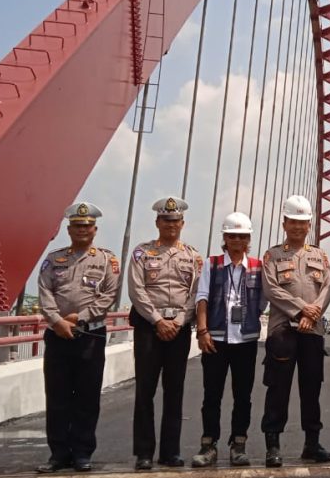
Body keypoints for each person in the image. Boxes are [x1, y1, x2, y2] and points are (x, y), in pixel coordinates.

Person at [36, 203, 121, 473]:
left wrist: (80, 316)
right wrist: (58, 321)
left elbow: (110, 295)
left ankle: (83, 452)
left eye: (87, 226)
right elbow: (45, 292)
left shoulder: (107, 260)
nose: (82, 230)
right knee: (58, 397)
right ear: (69, 229)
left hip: (90, 335)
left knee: (86, 398)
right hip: (57, 335)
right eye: (77, 226)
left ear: (94, 230)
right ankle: (59, 454)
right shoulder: (53, 259)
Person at [128, 196, 202, 470]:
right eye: (166, 220)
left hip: (179, 329)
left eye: (175, 221)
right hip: (150, 327)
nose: (171, 224)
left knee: (175, 391)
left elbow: (195, 293)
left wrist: (180, 320)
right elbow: (136, 290)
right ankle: (143, 453)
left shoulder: (193, 256)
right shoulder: (141, 253)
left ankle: (170, 452)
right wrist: (159, 320)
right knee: (145, 391)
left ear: (182, 223)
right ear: (158, 222)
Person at [260, 195, 330, 468]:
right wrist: (303, 309)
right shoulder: (273, 255)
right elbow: (271, 289)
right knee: (278, 389)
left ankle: (312, 444)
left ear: (309, 225)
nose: (298, 227)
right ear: (284, 223)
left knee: (312, 388)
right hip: (283, 331)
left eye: (303, 223)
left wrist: (313, 312)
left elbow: (327, 289)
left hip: (312, 331)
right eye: (293, 222)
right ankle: (273, 445)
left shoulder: (320, 255)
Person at [191, 212, 267, 468]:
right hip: (216, 338)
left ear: (248, 239)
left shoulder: (257, 266)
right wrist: (202, 332)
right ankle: (208, 444)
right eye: (232, 235)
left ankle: (238, 444)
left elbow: (264, 301)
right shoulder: (211, 264)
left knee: (242, 395)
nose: (237, 240)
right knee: (211, 395)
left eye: (242, 236)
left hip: (245, 340)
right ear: (224, 237)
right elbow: (201, 298)